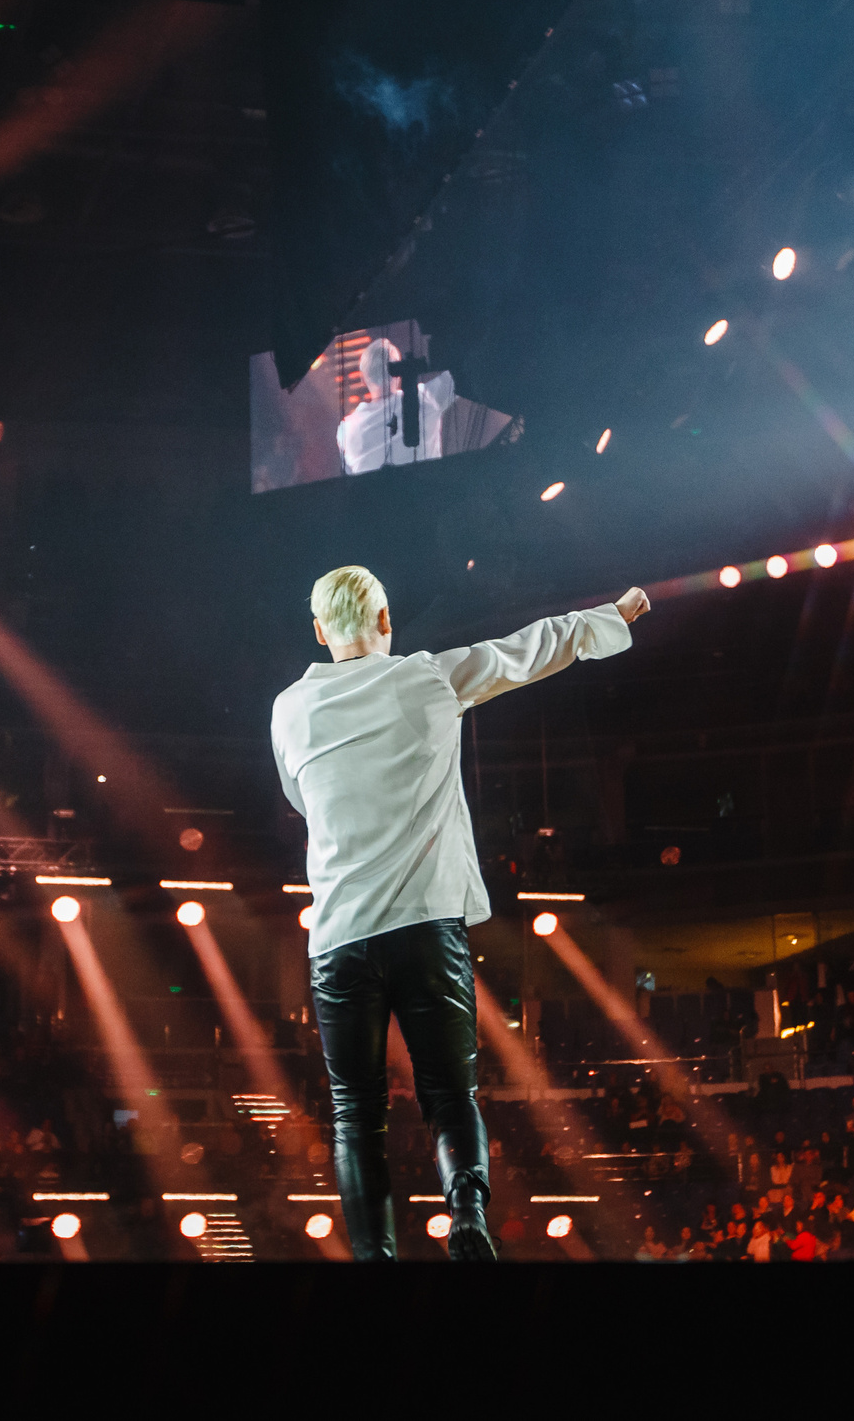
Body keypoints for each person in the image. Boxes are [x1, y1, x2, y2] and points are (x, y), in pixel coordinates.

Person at [272, 565, 649, 1260]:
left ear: (321, 632)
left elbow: (300, 798)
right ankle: (467, 1212)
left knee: (356, 1116)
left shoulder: (289, 709)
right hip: (425, 925)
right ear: (386, 621)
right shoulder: (429, 678)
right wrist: (612, 616)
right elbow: (526, 650)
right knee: (450, 1094)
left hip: (340, 939)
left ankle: (373, 1254)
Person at [334, 338, 453, 475]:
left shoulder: (345, 430)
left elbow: (351, 476)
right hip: (430, 487)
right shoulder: (427, 397)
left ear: (362, 379)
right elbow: (460, 374)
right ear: (398, 373)